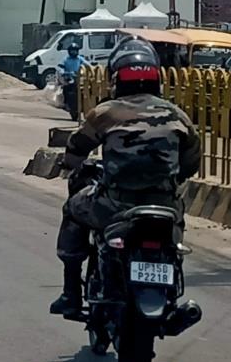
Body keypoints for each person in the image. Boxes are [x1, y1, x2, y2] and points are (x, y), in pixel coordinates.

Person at [49, 38, 202, 316]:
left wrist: (69, 164)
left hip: (115, 206)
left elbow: (76, 150)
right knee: (175, 234)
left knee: (72, 210)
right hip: (165, 207)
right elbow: (191, 164)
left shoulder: (105, 113)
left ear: (115, 77)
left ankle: (71, 293)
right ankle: (173, 295)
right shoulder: (177, 115)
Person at [58, 43, 89, 119]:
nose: (74, 52)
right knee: (66, 90)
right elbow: (60, 68)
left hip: (79, 79)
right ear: (69, 51)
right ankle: (67, 104)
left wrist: (92, 67)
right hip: (69, 79)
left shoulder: (80, 59)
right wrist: (64, 73)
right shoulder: (65, 59)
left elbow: (87, 65)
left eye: (75, 51)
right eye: (72, 51)